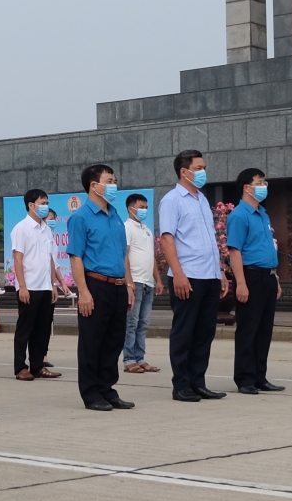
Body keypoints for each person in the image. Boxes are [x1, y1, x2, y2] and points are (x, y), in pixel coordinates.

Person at [156, 151, 229, 404]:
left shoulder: (201, 200)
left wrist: (220, 270)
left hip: (209, 274)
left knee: (204, 332)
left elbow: (211, 239)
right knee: (184, 331)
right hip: (187, 275)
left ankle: (199, 382)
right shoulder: (172, 200)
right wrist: (178, 274)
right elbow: (167, 238)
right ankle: (182, 385)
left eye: (204, 166)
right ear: (184, 171)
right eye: (199, 167)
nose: (203, 171)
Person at [68, 165, 134, 412]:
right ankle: (91, 393)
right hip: (95, 284)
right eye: (109, 180)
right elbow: (76, 257)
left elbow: (123, 253)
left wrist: (128, 284)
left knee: (113, 342)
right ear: (94, 185)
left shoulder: (115, 214)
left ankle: (108, 389)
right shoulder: (81, 217)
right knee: (92, 342)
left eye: (115, 179)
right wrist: (83, 292)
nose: (114, 184)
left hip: (117, 286)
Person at [226, 169, 284, 395]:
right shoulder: (239, 215)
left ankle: (260, 375)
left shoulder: (263, 213)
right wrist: (240, 283)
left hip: (267, 275)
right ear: (246, 188)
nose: (264, 186)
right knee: (248, 328)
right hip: (250, 276)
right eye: (259, 183)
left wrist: (275, 278)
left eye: (265, 182)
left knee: (264, 329)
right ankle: (244, 378)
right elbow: (235, 251)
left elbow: (268, 248)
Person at [10, 190, 65, 381]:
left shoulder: (47, 229)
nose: (45, 206)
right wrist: (22, 287)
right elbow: (18, 259)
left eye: (47, 202)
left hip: (45, 286)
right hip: (29, 286)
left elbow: (50, 258)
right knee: (25, 328)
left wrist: (54, 285)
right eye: (42, 203)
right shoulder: (21, 228)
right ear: (31, 205)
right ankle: (20, 367)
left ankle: (38, 366)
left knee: (42, 329)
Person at [122, 192, 158, 375]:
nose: (144, 210)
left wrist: (157, 279)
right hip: (135, 281)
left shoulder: (146, 229)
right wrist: (129, 283)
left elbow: (150, 256)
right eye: (141, 207)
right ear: (131, 208)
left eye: (146, 207)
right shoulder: (126, 227)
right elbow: (124, 256)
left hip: (147, 282)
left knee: (143, 323)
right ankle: (129, 359)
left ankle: (140, 357)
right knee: (132, 323)